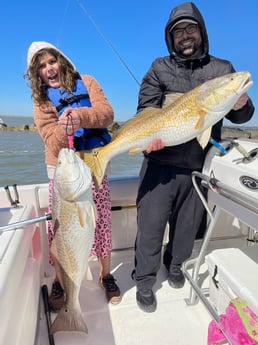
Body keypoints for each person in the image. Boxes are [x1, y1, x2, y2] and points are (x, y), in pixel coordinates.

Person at [133, 1, 255, 313]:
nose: (185, 36)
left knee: (186, 228)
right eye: (178, 32)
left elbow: (243, 116)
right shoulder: (159, 67)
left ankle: (175, 268)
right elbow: (146, 108)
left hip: (197, 167)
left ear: (201, 31)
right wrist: (149, 139)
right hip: (159, 164)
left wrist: (240, 103)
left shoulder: (222, 70)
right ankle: (145, 281)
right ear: (170, 38)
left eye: (190, 28)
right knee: (150, 227)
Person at [25, 41, 121, 311]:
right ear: (37, 74)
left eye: (51, 61)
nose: (48, 69)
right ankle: (60, 280)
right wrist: (62, 128)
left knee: (99, 219)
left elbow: (107, 114)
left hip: (94, 164)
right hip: (63, 171)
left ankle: (105, 274)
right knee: (60, 229)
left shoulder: (88, 81)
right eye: (42, 66)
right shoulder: (41, 101)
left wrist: (80, 116)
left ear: (62, 61)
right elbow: (50, 141)